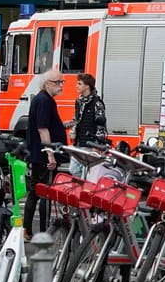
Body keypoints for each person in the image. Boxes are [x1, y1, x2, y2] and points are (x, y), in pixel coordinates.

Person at [24, 70, 67, 234]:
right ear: (47, 83)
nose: (61, 85)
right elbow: (43, 129)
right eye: (58, 82)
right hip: (43, 156)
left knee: (35, 192)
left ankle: (27, 230)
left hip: (39, 153)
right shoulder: (44, 100)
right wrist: (50, 154)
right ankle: (43, 230)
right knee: (44, 192)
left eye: (62, 82)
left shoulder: (44, 99)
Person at [72, 72, 109, 147]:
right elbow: (76, 120)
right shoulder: (78, 102)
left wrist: (97, 146)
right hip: (79, 143)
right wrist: (73, 132)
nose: (76, 86)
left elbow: (101, 127)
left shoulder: (97, 103)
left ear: (87, 86)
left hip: (91, 145)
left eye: (79, 84)